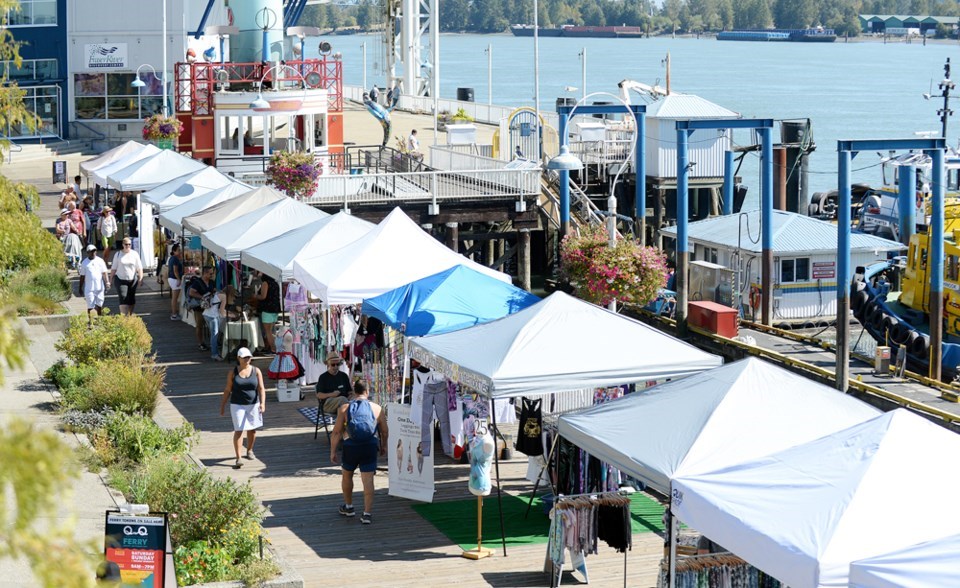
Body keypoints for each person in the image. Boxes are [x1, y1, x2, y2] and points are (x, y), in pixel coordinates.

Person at [330, 381, 388, 524]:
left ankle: (349, 507)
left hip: (351, 446)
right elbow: (385, 431)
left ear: (354, 392)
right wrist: (383, 446)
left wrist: (332, 451)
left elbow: (337, 432)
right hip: (369, 445)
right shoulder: (377, 408)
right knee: (368, 480)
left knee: (347, 475)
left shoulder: (344, 408)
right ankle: (367, 513)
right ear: (367, 391)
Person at [219, 347, 265, 469]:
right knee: (239, 430)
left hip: (253, 404)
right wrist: (223, 404)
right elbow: (228, 389)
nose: (247, 360)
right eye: (244, 357)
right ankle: (238, 457)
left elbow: (261, 388)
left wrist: (262, 403)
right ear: (238, 358)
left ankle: (249, 450)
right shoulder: (233, 372)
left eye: (248, 357)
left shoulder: (256, 371)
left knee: (252, 430)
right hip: (237, 404)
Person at [109, 237, 143, 316]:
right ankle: (124, 318)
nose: (128, 246)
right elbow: (113, 268)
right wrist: (110, 280)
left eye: (129, 244)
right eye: (126, 244)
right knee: (123, 297)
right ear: (123, 245)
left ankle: (129, 315)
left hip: (132, 280)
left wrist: (140, 278)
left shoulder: (134, 254)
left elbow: (139, 267)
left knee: (131, 299)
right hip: (120, 279)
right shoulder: (118, 254)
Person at [187, 266, 217, 353]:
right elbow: (191, 292)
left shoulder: (211, 282)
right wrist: (202, 297)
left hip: (209, 307)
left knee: (211, 325)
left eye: (212, 273)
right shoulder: (197, 282)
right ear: (205, 273)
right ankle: (201, 343)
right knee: (199, 325)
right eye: (210, 273)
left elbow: (214, 290)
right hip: (199, 307)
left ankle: (212, 342)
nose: (212, 275)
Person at [79, 244, 109, 325]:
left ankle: (99, 320)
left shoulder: (100, 261)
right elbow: (82, 276)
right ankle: (91, 321)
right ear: (88, 252)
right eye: (91, 251)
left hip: (99, 287)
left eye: (94, 251)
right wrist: (80, 287)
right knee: (90, 306)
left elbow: (104, 272)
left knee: (99, 305)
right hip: (89, 288)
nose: (93, 253)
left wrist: (107, 282)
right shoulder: (84, 263)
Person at [255, 271, 281, 353]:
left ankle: (273, 348)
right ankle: (274, 347)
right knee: (271, 330)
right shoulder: (275, 283)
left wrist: (255, 296)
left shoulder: (265, 283)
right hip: (274, 309)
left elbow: (263, 296)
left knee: (268, 331)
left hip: (267, 309)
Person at [167, 243, 183, 320]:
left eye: (180, 250)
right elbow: (175, 271)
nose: (180, 252)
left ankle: (174, 313)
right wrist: (179, 279)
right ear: (174, 251)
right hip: (174, 279)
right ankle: (174, 314)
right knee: (174, 298)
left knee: (174, 298)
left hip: (172, 278)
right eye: (178, 250)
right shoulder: (175, 259)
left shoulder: (172, 258)